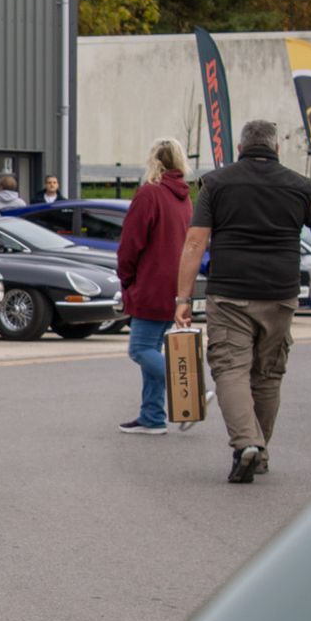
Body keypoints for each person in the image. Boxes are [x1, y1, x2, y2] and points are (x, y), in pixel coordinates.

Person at [175, 119, 311, 484]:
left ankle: (246, 443)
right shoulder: (300, 186)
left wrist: (182, 297)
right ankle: (259, 451)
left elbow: (195, 242)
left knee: (230, 368)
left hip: (229, 293)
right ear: (277, 148)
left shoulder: (216, 184)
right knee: (268, 374)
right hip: (280, 295)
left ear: (240, 149)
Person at [115, 139, 193, 434]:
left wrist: (126, 278)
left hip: (150, 283)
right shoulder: (183, 198)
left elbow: (131, 244)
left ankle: (187, 389)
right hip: (175, 285)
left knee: (140, 349)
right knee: (152, 349)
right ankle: (152, 416)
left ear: (155, 161)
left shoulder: (150, 194)